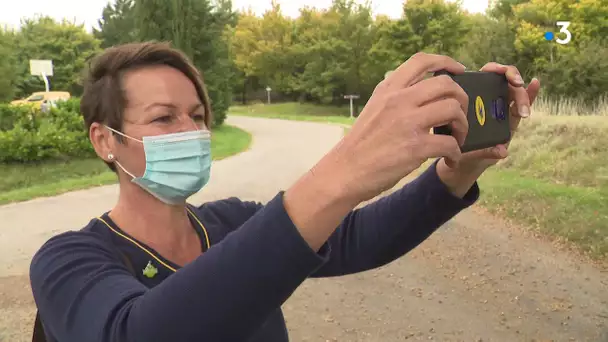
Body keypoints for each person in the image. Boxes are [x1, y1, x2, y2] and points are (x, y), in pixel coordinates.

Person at [29, 41, 540, 342]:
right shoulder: (68, 261)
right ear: (104, 140)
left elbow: (359, 236)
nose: (191, 131)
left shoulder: (228, 223)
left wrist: (455, 174)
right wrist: (345, 168)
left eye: (199, 116)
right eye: (164, 118)